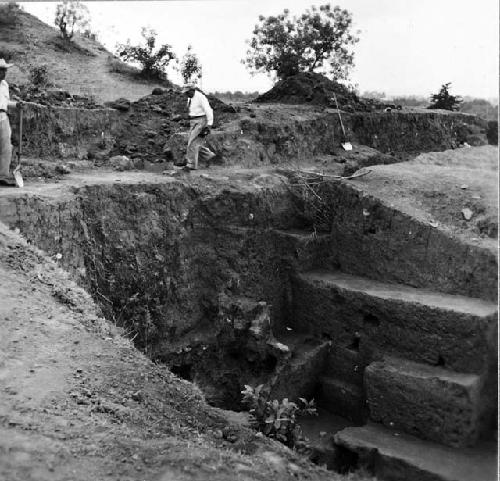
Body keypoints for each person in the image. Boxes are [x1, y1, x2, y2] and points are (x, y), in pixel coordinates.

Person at [182, 84, 216, 170]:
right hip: (193, 121)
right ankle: (209, 156)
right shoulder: (190, 97)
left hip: (200, 121)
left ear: (192, 90)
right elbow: (192, 109)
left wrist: (209, 124)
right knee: (196, 143)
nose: (186, 94)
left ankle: (191, 165)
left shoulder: (201, 97)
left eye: (187, 92)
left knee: (192, 143)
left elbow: (208, 110)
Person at [0, 58, 21, 186]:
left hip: (2, 116)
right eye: (2, 70)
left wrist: (16, 105)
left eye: (5, 70)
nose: (4, 73)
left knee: (6, 147)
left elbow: (5, 103)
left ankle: (2, 175)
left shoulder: (4, 85)